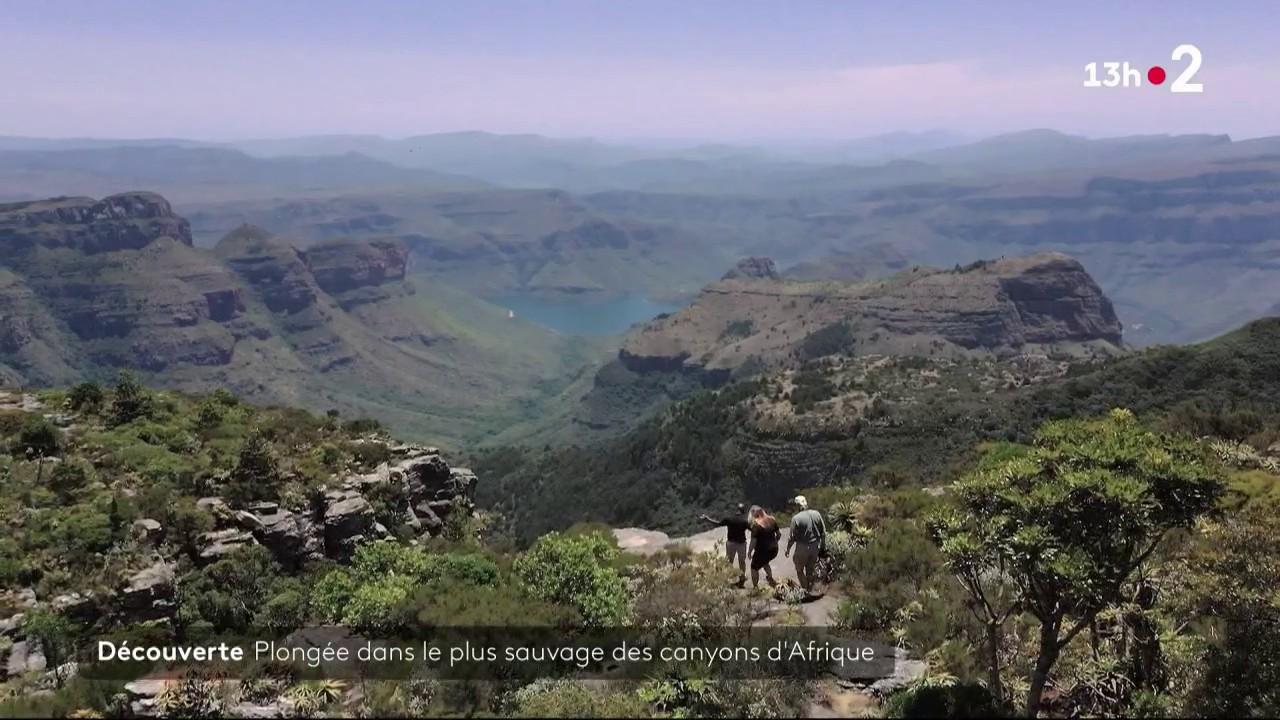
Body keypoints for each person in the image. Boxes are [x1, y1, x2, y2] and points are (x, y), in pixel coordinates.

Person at [699, 504, 750, 586]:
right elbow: (753, 530)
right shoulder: (744, 521)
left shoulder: (729, 519)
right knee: (742, 562)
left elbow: (717, 524)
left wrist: (707, 519)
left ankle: (726, 579)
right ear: (743, 511)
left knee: (729, 562)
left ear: (736, 510)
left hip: (731, 543)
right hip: (741, 544)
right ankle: (742, 579)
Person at [785, 495, 827, 593]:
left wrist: (787, 549)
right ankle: (811, 588)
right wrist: (823, 546)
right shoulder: (816, 514)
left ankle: (805, 590)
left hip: (802, 547)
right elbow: (823, 532)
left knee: (799, 570)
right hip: (815, 546)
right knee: (810, 570)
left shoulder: (796, 519)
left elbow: (791, 538)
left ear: (797, 506)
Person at [747, 505, 781, 589]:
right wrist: (775, 542)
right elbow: (779, 534)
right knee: (765, 562)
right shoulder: (772, 520)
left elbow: (753, 542)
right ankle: (770, 578)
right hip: (774, 550)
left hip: (762, 551)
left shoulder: (756, 525)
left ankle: (755, 587)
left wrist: (749, 552)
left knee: (754, 568)